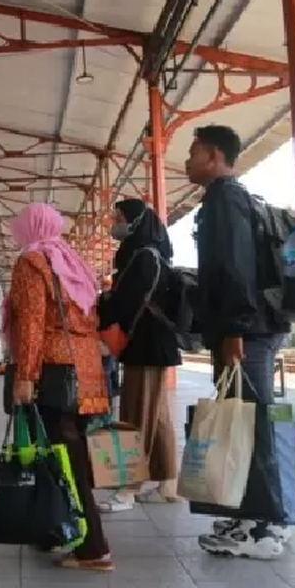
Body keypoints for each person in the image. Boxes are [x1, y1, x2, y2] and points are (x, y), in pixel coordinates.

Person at [184, 124, 291, 559]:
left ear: (212, 156)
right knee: (248, 421)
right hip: (253, 329)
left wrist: (233, 331)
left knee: (251, 425)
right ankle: (254, 514)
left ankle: (263, 528)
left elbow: (233, 270)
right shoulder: (233, 199)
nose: (187, 162)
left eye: (192, 153)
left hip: (246, 332)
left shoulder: (224, 200)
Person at [5, 202, 113, 571]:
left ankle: (93, 549)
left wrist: (25, 375)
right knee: (67, 455)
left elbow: (32, 323)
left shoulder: (32, 262)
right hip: (86, 368)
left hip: (55, 368)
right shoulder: (71, 261)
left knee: (64, 459)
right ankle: (57, 529)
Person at [96, 199, 183, 513]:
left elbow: (125, 303)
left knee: (135, 414)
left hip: (146, 344)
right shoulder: (151, 254)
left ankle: (127, 490)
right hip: (155, 345)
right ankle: (167, 483)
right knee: (157, 416)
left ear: (135, 222)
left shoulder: (143, 257)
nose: (113, 224)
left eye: (119, 218)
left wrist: (103, 305)